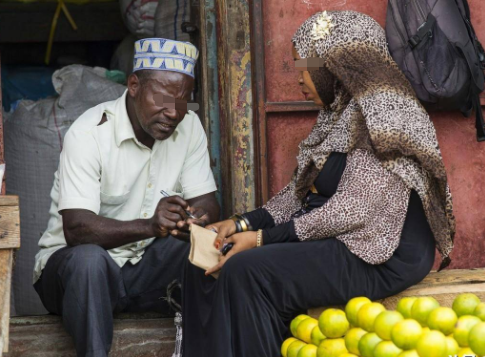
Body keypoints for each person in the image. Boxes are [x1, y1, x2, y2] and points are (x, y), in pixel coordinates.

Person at [181, 11, 455, 357]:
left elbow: (352, 209)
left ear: (335, 64)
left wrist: (263, 239)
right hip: (341, 240)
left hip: (379, 254)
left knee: (248, 270)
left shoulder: (387, 111)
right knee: (202, 261)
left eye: (305, 68)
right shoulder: (338, 113)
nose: (300, 80)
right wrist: (242, 223)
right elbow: (297, 194)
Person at [33, 38, 220, 357]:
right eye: (161, 98)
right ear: (133, 85)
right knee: (89, 260)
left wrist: (191, 218)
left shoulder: (189, 128)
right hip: (75, 276)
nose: (173, 112)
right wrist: (151, 226)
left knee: (215, 247)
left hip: (142, 269)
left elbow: (208, 206)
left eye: (183, 100)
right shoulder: (89, 132)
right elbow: (76, 230)